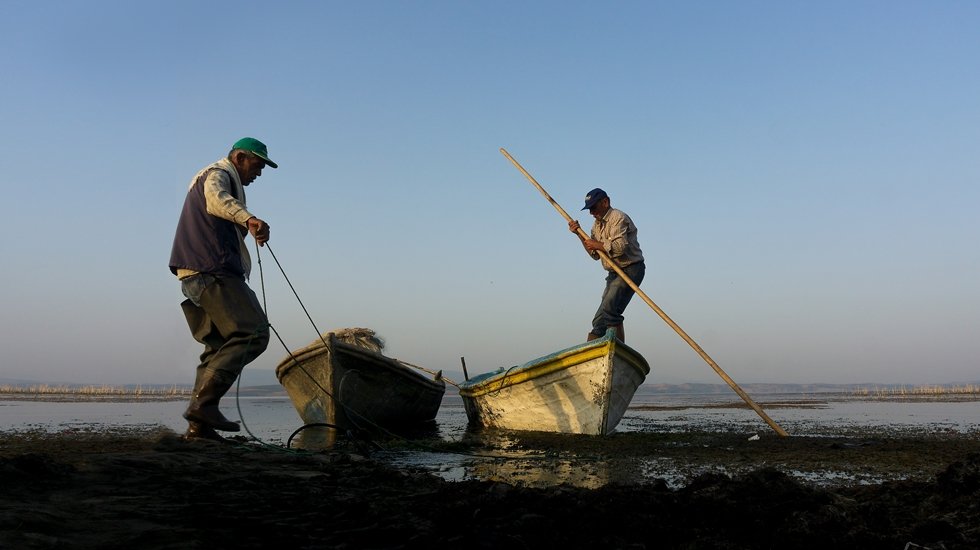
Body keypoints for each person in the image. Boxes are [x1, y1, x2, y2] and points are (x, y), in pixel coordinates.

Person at [169, 137, 277, 441]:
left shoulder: (216, 178)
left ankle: (198, 429)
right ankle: (204, 406)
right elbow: (216, 198)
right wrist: (249, 218)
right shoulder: (218, 174)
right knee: (252, 332)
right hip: (211, 271)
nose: (259, 173)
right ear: (239, 157)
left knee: (216, 347)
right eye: (257, 165)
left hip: (192, 275)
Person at [568, 188, 645, 343]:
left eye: (594, 208)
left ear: (605, 202)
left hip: (631, 269)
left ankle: (618, 351)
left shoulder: (618, 217)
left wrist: (597, 244)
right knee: (599, 321)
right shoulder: (596, 226)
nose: (591, 213)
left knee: (610, 309)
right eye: (589, 209)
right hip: (614, 273)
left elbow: (620, 247)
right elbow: (595, 255)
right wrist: (579, 235)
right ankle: (592, 354)